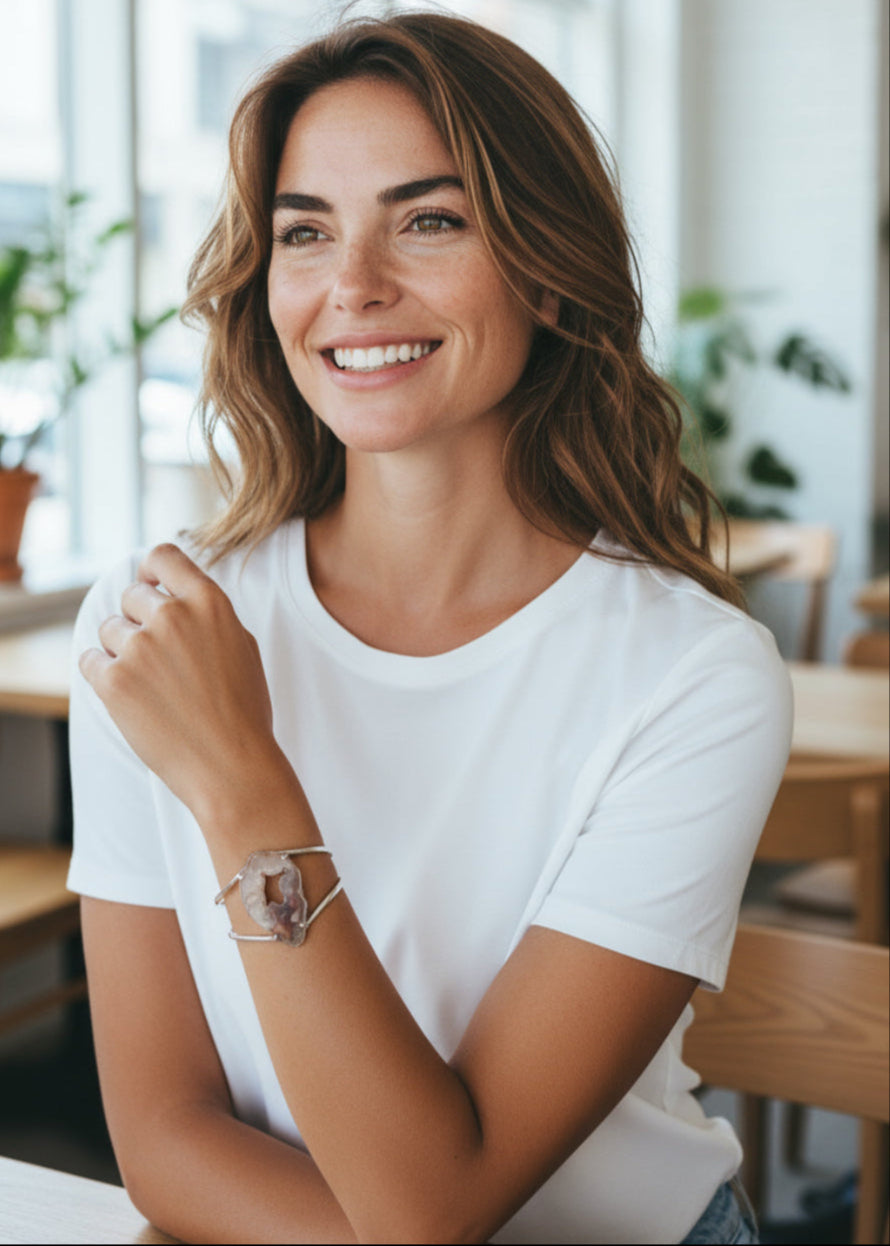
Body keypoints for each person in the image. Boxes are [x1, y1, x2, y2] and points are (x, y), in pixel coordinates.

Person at [68, 12, 791, 1244]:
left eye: (428, 220)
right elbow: (164, 1136)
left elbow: (431, 1209)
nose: (353, 285)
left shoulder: (694, 678)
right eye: (306, 232)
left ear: (547, 267)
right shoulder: (152, 625)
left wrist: (244, 786)